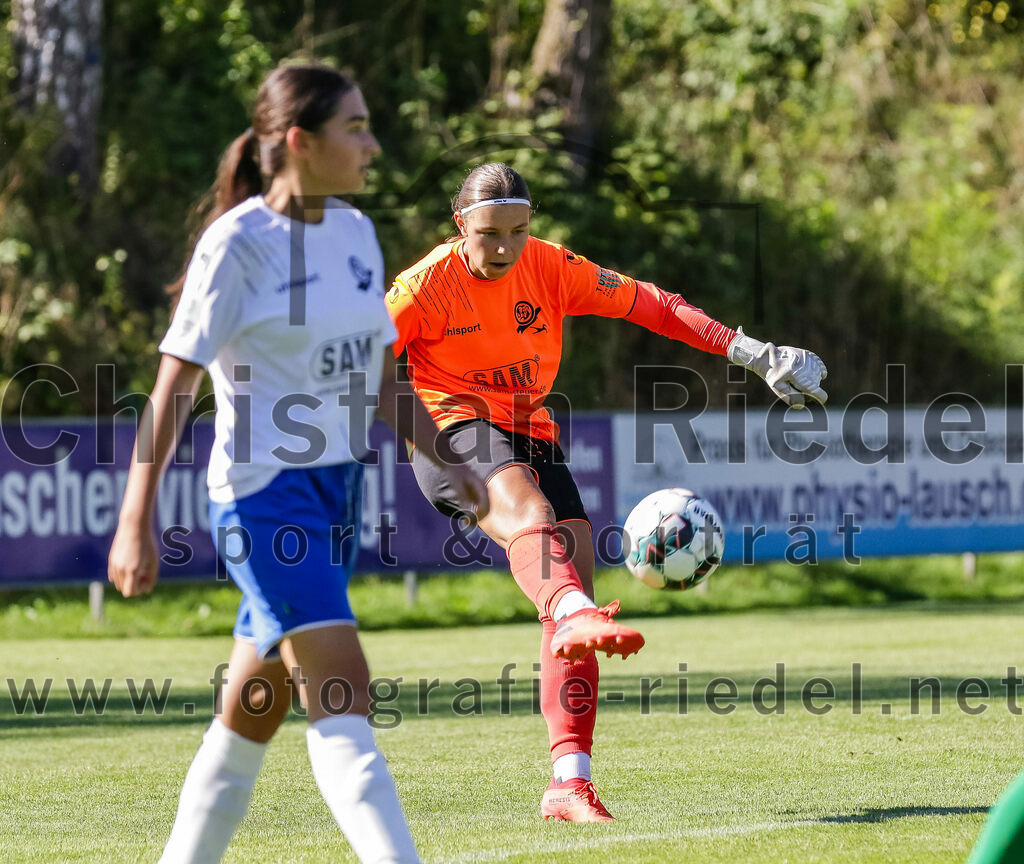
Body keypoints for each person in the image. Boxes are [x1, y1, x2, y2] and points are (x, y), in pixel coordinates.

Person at [107, 63, 487, 864]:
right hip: (261, 501)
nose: (373, 145)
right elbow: (172, 388)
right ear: (299, 143)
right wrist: (134, 521)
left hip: (336, 492)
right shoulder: (238, 245)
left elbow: (381, 377)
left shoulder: (355, 232)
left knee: (252, 709)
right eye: (356, 127)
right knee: (343, 687)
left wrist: (446, 458)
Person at [385, 162, 828, 823]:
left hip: (528, 428)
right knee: (532, 518)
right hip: (449, 430)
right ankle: (568, 610)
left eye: (519, 230)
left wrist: (752, 352)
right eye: (490, 234)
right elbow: (356, 359)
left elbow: (652, 303)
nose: (505, 249)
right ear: (460, 227)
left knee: (573, 598)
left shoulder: (550, 266)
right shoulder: (422, 287)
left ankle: (568, 781)